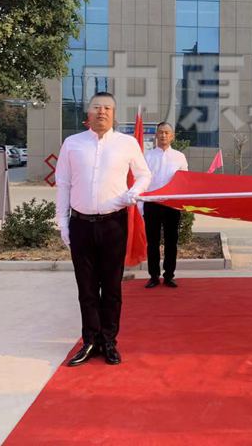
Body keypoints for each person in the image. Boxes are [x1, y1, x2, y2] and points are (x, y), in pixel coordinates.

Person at [55, 92, 152, 367]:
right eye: (97, 107)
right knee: (86, 287)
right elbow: (63, 183)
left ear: (114, 113)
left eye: (107, 108)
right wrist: (62, 222)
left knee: (111, 287)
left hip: (113, 224)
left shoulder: (127, 143)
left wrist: (133, 192)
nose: (102, 112)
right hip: (81, 224)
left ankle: (108, 341)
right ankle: (90, 341)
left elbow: (144, 174)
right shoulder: (72, 144)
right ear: (88, 113)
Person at [144, 122, 189, 289]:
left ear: (172, 136)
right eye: (161, 132)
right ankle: (153, 276)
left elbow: (184, 181)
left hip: (171, 204)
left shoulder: (179, 157)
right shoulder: (147, 156)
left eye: (167, 133)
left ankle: (169, 275)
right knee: (152, 242)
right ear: (156, 135)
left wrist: (182, 203)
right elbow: (142, 181)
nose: (163, 135)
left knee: (171, 241)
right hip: (152, 204)